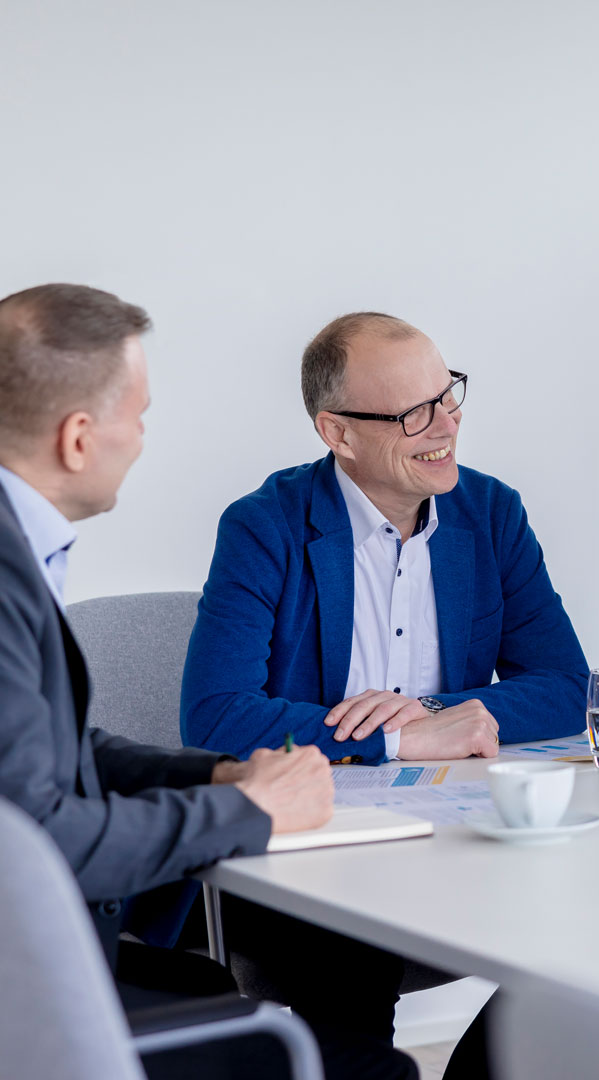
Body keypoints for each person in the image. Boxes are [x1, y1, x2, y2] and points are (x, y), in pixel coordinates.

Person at [0, 283, 425, 1080]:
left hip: (48, 971)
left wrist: (220, 773)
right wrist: (245, 809)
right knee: (376, 1071)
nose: (144, 437)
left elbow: (52, 750)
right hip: (35, 1009)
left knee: (226, 993)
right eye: (140, 414)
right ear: (79, 438)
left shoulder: (17, 550)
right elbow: (41, 840)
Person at [180, 310, 588, 763]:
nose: (447, 425)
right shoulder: (263, 528)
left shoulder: (492, 512)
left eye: (447, 395)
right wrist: (395, 739)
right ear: (339, 434)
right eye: (414, 413)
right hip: (321, 806)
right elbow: (215, 719)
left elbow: (567, 687)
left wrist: (430, 711)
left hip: (455, 796)